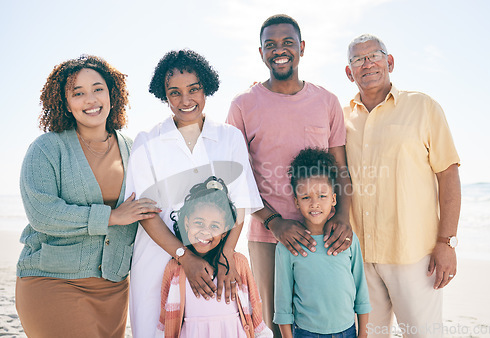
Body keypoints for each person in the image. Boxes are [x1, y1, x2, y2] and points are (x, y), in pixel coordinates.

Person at [15, 55, 161, 338]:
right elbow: (42, 213)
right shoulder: (46, 148)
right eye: (78, 93)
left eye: (97, 89)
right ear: (65, 102)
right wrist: (113, 217)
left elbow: (152, 209)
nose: (90, 99)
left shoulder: (134, 149)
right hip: (52, 279)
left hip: (113, 287)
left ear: (111, 93)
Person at [226, 14, 353, 336]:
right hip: (268, 235)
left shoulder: (327, 102)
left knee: (325, 320)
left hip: (324, 233)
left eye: (287, 43)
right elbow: (235, 179)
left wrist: (343, 217)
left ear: (302, 48)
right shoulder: (243, 105)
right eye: (271, 45)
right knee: (273, 322)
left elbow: (341, 170)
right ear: (261, 53)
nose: (279, 50)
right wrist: (274, 222)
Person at [126, 49, 263, 337]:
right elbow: (144, 212)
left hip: (215, 264)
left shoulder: (229, 137)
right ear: (164, 95)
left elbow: (240, 205)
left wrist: (226, 253)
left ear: (206, 89)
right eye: (174, 92)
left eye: (194, 89)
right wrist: (184, 257)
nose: (185, 100)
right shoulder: (147, 142)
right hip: (156, 261)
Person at [344, 34, 461, 337]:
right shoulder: (341, 119)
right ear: (349, 72)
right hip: (361, 257)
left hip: (415, 255)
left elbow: (448, 175)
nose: (367, 63)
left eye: (374, 55)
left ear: (390, 62)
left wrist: (446, 243)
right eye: (358, 59)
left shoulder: (423, 107)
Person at [156, 176, 272, 338]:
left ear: (225, 231)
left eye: (215, 226)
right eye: (199, 223)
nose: (205, 231)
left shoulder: (238, 263)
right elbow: (165, 317)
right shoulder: (175, 268)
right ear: (187, 223)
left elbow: (255, 309)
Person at [274, 148, 371, 338]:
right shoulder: (287, 246)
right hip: (306, 333)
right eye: (305, 197)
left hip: (348, 331)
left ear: (334, 198)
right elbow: (283, 301)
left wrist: (364, 334)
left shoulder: (347, 239)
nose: (314, 203)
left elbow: (361, 290)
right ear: (296, 202)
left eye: (322, 195)